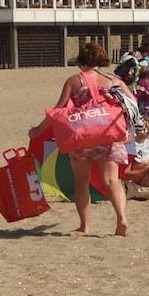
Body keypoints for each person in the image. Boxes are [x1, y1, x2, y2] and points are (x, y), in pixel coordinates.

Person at [28, 42, 132, 236]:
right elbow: (131, 104)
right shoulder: (114, 80)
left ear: (81, 61)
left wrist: (38, 130)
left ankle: (85, 226)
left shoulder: (75, 81)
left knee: (82, 182)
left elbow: (59, 110)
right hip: (108, 134)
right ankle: (121, 218)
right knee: (112, 180)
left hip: (82, 137)